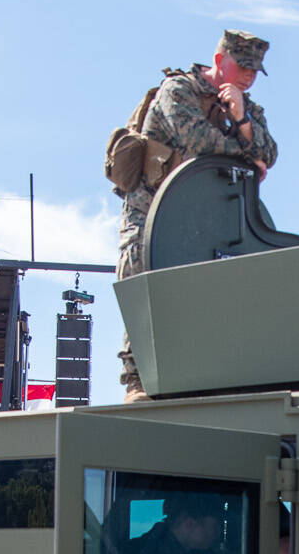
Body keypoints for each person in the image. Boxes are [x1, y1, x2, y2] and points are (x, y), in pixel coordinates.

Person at [115, 29, 280, 401]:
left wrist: (241, 119)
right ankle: (136, 379)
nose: (249, 77)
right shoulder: (178, 91)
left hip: (204, 215)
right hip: (151, 206)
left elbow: (268, 154)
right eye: (242, 67)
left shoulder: (245, 106)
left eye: (255, 71)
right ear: (220, 61)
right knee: (140, 277)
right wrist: (244, 155)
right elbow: (197, 142)